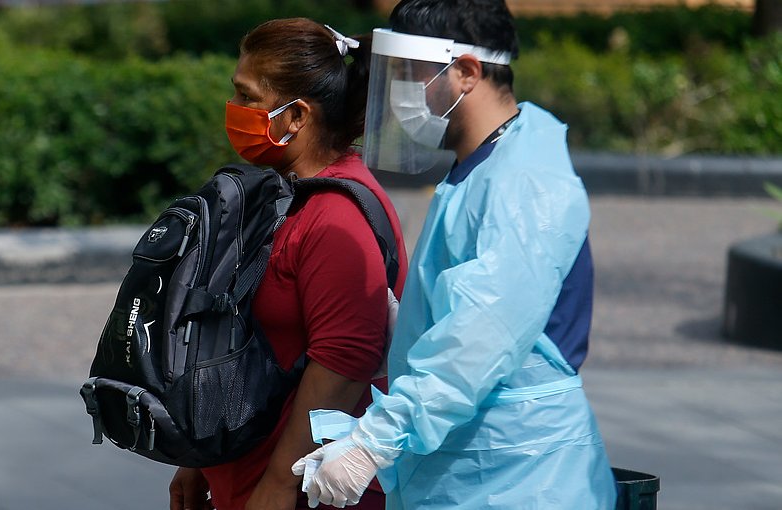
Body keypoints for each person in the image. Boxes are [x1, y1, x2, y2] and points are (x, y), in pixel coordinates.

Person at [293, 0, 617, 508]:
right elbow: (477, 312)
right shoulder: (483, 166)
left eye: (408, 73)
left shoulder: (524, 180)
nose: (398, 93)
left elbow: (480, 341)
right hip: (479, 468)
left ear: (465, 71)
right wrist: (408, 329)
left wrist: (371, 444)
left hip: (521, 475)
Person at [168, 18, 409, 510]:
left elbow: (346, 359)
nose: (235, 110)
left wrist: (278, 487)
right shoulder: (283, 196)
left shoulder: (336, 216)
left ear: (295, 115)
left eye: (247, 96)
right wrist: (198, 456)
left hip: (307, 494)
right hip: (247, 479)